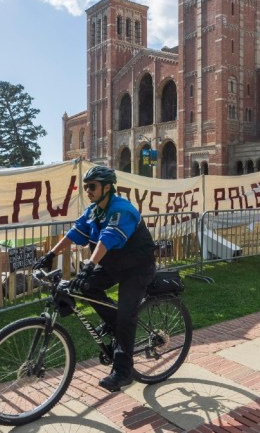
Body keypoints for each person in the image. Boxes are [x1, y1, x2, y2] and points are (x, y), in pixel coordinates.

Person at [36, 165, 156, 392]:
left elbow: (108, 239)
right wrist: (50, 255)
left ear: (107, 187)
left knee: (126, 318)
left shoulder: (122, 209)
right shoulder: (93, 211)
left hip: (138, 269)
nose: (88, 190)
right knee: (86, 287)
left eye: (92, 186)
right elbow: (73, 233)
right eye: (86, 187)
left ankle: (123, 372)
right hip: (115, 266)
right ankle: (114, 323)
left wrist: (90, 264)